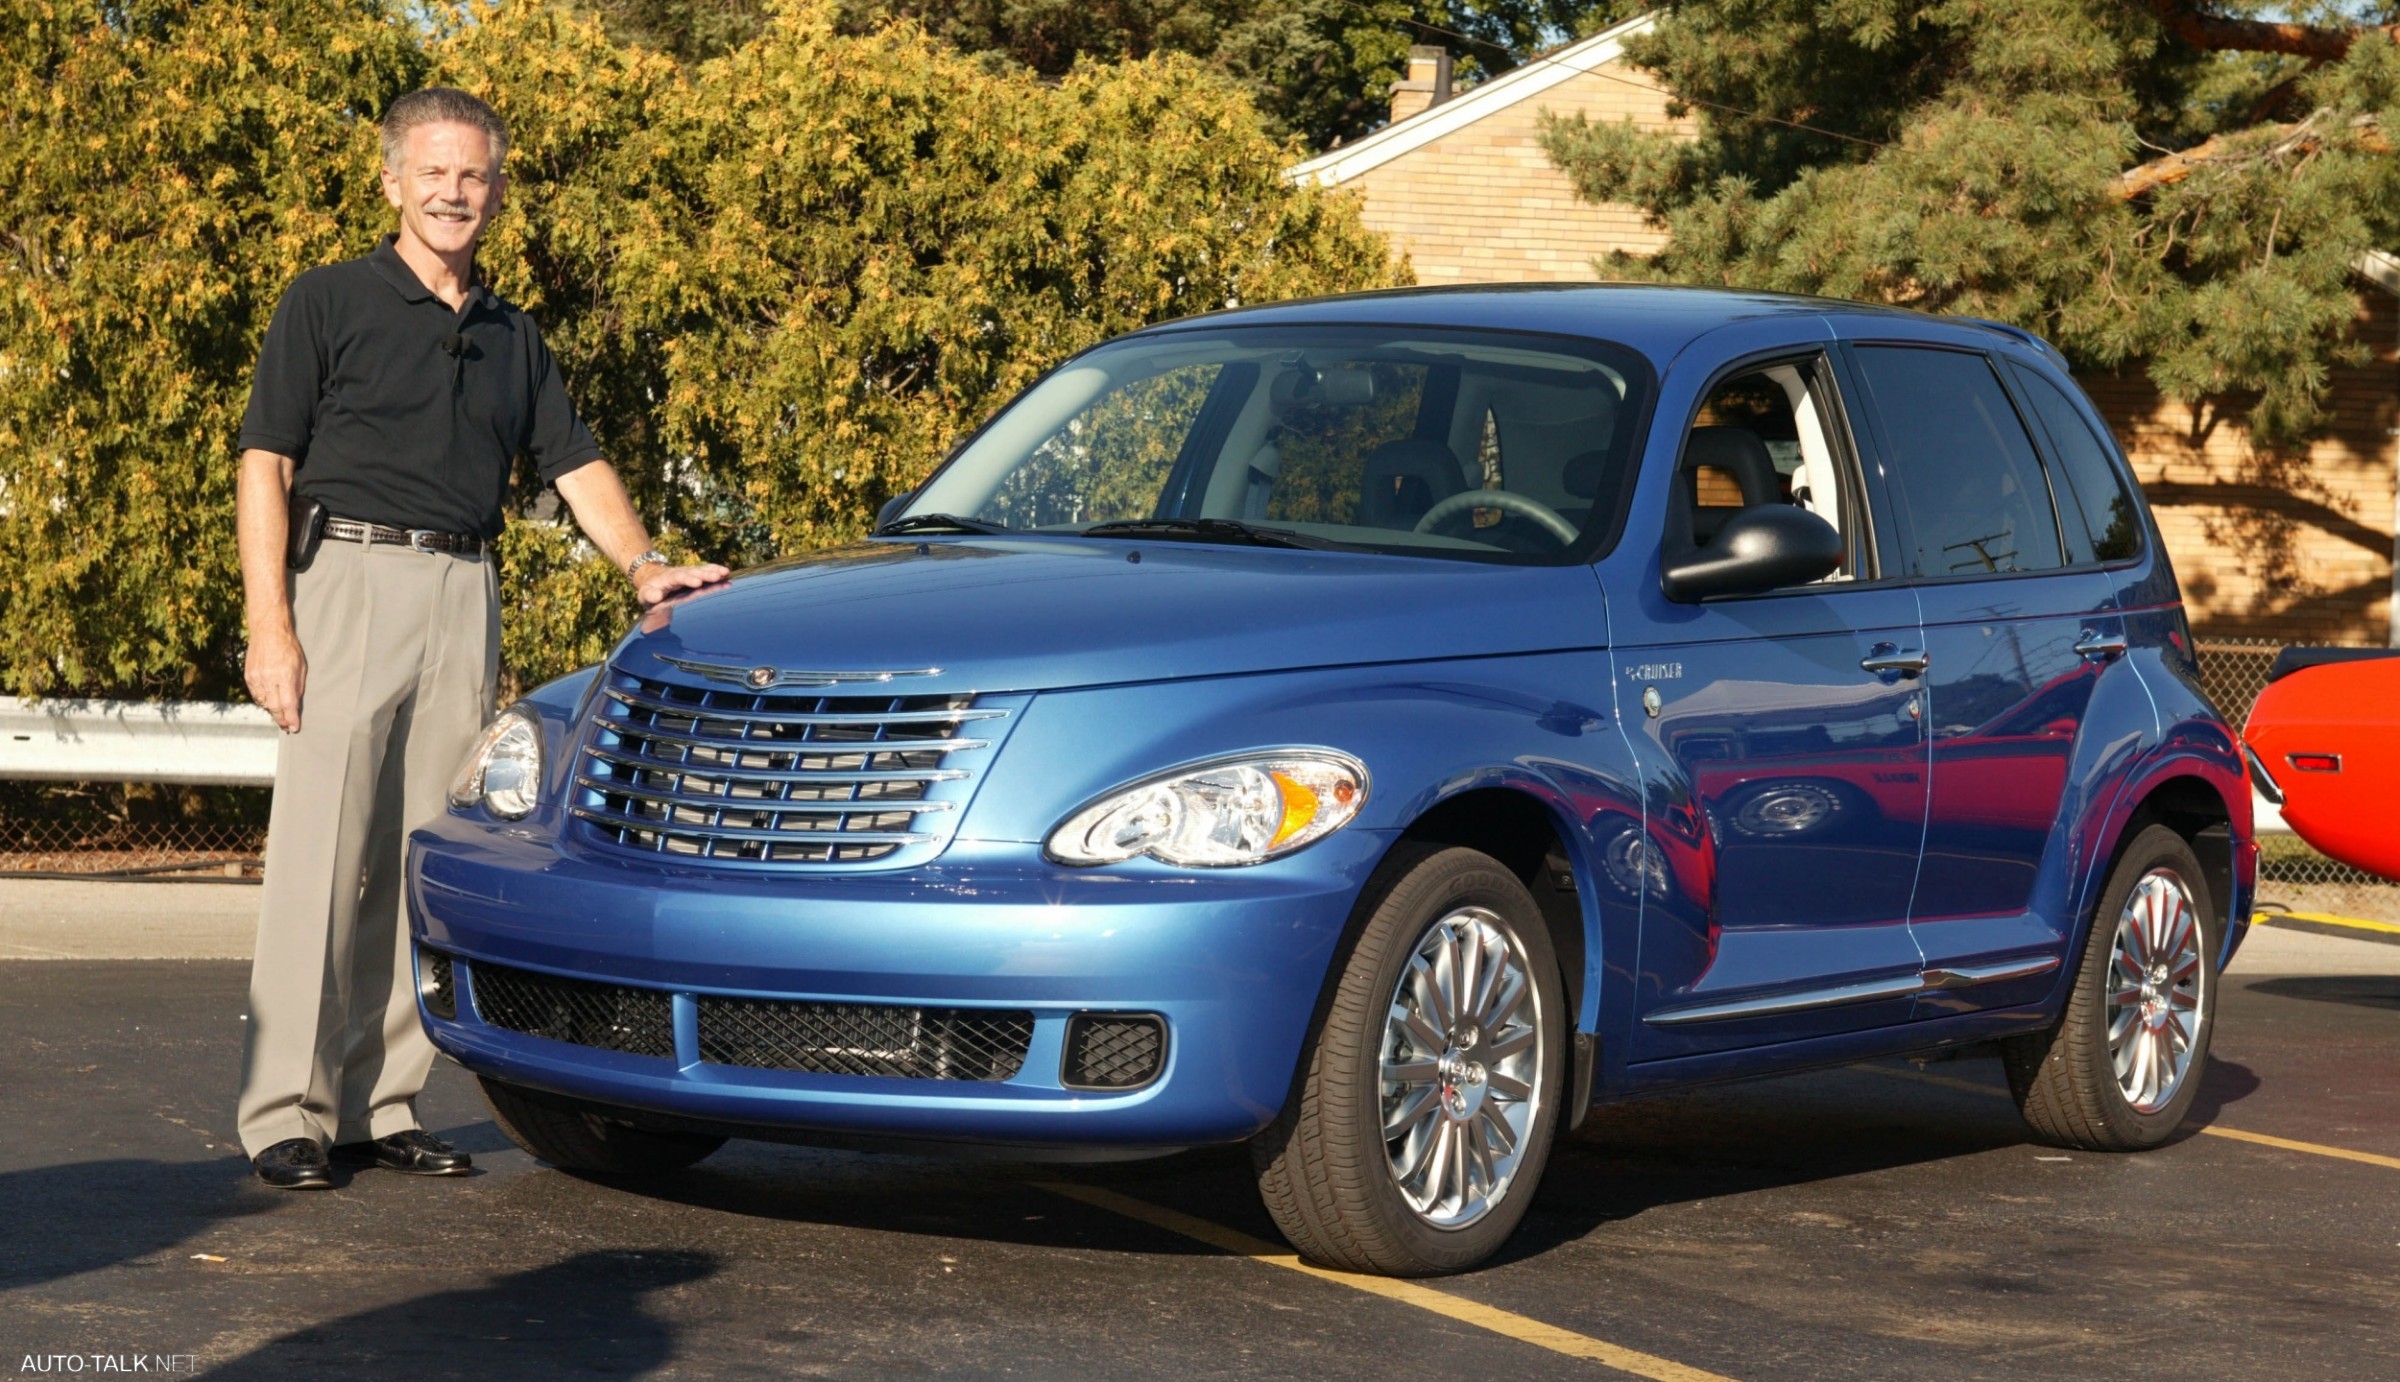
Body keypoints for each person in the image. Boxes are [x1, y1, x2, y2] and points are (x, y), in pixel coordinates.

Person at [231, 87, 728, 1189]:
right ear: (393, 182)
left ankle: (379, 1101)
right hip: (347, 582)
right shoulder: (326, 301)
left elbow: (574, 461)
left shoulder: (512, 334)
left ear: (495, 191)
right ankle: (284, 1113)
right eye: (436, 173)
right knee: (322, 857)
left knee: (419, 860)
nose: (456, 192)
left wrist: (644, 563)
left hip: (465, 588)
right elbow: (264, 462)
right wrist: (272, 624)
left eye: (476, 176)